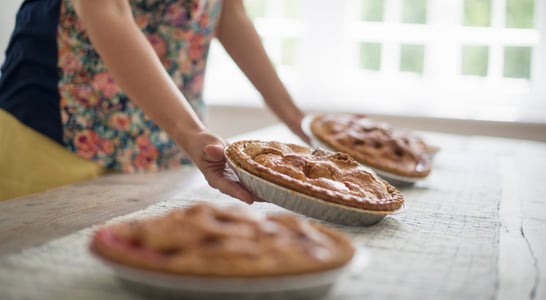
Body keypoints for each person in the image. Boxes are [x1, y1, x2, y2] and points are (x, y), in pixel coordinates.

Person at [0, 0, 309, 201]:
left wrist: (298, 120)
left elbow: (229, 11)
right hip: (53, 130)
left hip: (164, 138)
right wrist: (192, 133)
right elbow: (108, 12)